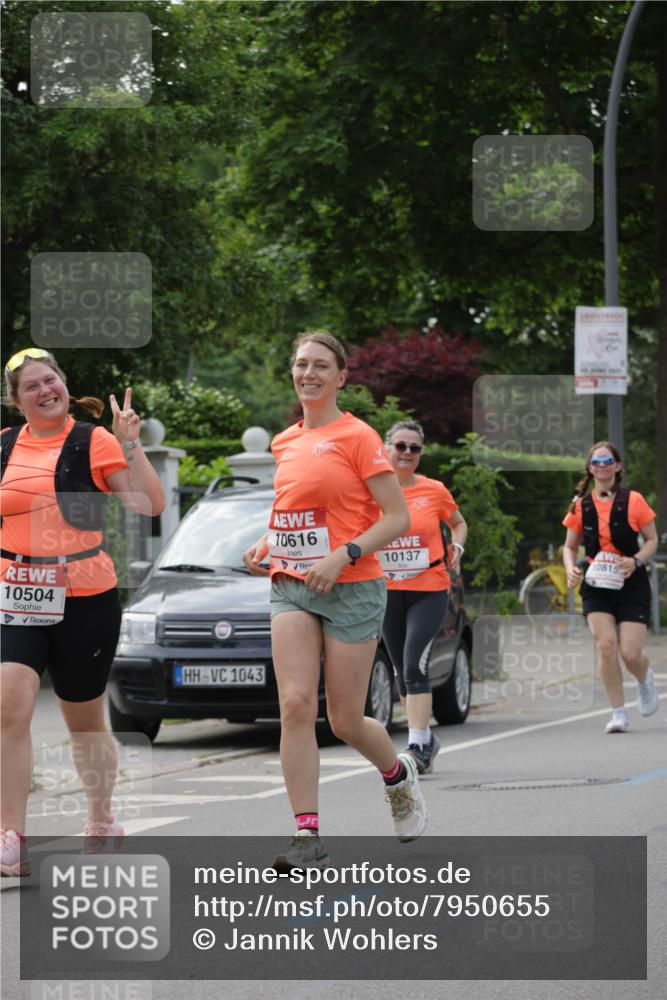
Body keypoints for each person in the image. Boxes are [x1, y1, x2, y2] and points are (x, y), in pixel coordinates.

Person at [243, 331, 427, 871]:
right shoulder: (283, 441)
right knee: (295, 705)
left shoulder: (359, 436)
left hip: (352, 585)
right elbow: (299, 510)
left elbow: (398, 518)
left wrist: (343, 555)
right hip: (292, 585)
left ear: (341, 376)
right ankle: (307, 834)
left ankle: (397, 776)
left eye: (321, 365)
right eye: (301, 364)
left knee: (345, 719)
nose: (309, 373)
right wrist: (269, 541)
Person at [1, 347, 164, 876]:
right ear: (15, 400)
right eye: (32, 386)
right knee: (9, 707)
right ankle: (11, 837)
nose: (46, 390)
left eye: (51, 380)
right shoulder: (3, 447)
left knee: (85, 722)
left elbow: (149, 504)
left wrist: (130, 442)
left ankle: (100, 820)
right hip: (16, 591)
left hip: (85, 594)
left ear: (65, 386)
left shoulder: (92, 440)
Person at [380, 420, 467, 774]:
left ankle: (417, 746)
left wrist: (457, 544)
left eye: (414, 448)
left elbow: (458, 521)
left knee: (415, 664)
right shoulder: (370, 491)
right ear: (386, 448)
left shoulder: (434, 490)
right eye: (400, 446)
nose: (406, 454)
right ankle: (426, 738)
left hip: (429, 589)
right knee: (402, 670)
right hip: (387, 591)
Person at [562, 441, 659, 734]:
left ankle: (644, 680)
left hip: (631, 584)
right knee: (606, 647)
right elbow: (569, 546)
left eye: (607, 461)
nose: (602, 466)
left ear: (617, 466)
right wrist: (571, 569)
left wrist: (637, 560)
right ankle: (618, 713)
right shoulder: (580, 505)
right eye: (596, 462)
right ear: (590, 469)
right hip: (596, 583)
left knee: (630, 654)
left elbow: (652, 540)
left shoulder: (634, 501)